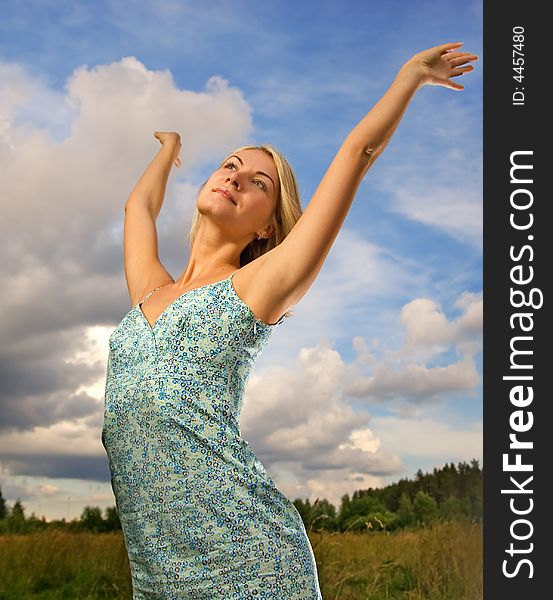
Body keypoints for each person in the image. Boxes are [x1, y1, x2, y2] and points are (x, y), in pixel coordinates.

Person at [102, 41, 478, 599]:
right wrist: (169, 147)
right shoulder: (149, 291)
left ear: (267, 230)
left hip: (248, 563)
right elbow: (138, 209)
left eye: (259, 182)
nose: (235, 177)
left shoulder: (257, 287)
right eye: (231, 165)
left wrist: (412, 77)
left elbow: (357, 154)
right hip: (158, 572)